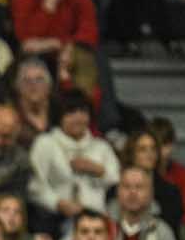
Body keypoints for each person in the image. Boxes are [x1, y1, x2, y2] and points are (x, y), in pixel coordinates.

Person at [28, 90, 119, 222]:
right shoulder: (45, 143)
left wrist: (98, 170)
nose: (78, 118)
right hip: (55, 218)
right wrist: (57, 203)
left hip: (97, 219)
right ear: (59, 116)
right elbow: (35, 186)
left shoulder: (101, 146)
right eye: (70, 112)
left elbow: (117, 181)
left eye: (83, 112)